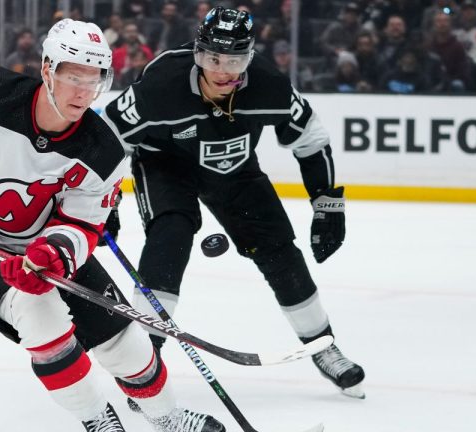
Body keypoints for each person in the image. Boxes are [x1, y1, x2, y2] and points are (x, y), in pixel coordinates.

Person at [0, 18, 225, 432]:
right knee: (40, 312)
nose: (83, 91)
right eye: (74, 75)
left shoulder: (103, 151)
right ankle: (97, 420)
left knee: (127, 344)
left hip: (41, 252)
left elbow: (82, 224)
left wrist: (54, 252)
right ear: (47, 69)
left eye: (95, 79)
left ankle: (166, 417)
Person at [102, 7, 366, 399]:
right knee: (169, 237)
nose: (224, 71)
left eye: (236, 59)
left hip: (235, 167)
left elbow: (310, 138)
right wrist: (104, 202)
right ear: (198, 53)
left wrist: (327, 203)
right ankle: (144, 362)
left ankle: (322, 346)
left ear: (251, 55)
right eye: (213, 58)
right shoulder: (162, 84)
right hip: (164, 164)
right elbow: (109, 138)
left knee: (279, 249)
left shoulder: (269, 84)